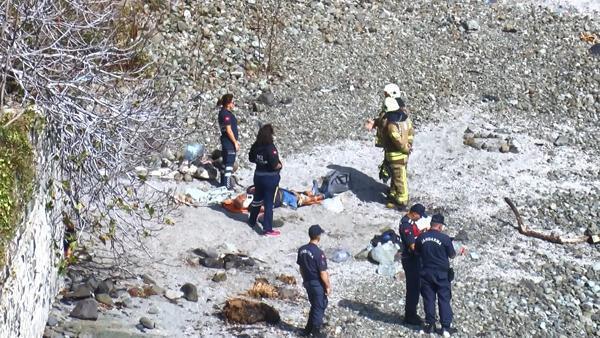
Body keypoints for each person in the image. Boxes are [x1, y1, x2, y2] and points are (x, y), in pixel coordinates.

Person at [416, 214, 463, 337]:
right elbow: (452, 255)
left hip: (426, 272)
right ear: (440, 226)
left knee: (429, 299)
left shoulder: (421, 237)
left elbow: (417, 252)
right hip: (441, 274)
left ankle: (430, 325)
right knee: (444, 299)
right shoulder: (445, 238)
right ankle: (445, 328)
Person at [248, 124, 282, 237]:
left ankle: (252, 220)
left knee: (257, 199)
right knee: (268, 204)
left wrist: (261, 161)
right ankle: (267, 228)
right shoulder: (270, 148)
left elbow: (251, 158)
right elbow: (274, 165)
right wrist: (280, 165)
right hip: (269, 179)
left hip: (258, 176)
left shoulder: (256, 145)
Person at [297, 225, 331, 337]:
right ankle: (315, 332)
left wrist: (305, 280)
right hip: (316, 283)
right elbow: (323, 272)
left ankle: (307, 330)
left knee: (315, 305)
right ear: (318, 236)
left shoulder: (301, 250)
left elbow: (301, 268)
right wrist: (327, 286)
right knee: (320, 306)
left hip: (307, 281)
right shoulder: (318, 252)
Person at [380, 97, 414, 209]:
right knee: (397, 176)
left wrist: (404, 148)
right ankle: (394, 193)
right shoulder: (405, 120)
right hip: (404, 154)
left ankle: (401, 200)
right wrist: (408, 145)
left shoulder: (391, 125)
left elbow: (397, 140)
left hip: (396, 155)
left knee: (399, 177)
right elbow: (410, 132)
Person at [398, 203, 427, 326]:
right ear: (414, 213)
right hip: (410, 259)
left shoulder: (410, 223)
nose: (420, 218)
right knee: (413, 287)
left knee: (416, 285)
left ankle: (411, 313)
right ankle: (410, 315)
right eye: (419, 216)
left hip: (412, 259)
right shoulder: (406, 225)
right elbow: (412, 245)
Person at [217, 93, 240, 190]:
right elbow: (228, 129)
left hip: (226, 141)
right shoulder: (225, 114)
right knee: (229, 163)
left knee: (225, 162)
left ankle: (222, 183)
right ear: (228, 103)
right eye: (233, 102)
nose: (234, 104)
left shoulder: (224, 113)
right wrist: (235, 142)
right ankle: (226, 185)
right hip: (228, 141)